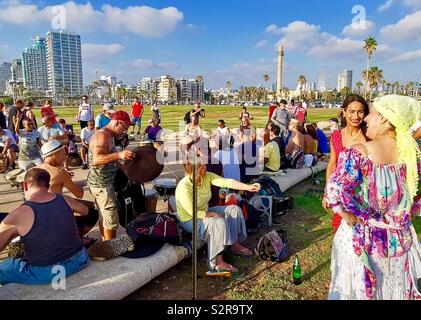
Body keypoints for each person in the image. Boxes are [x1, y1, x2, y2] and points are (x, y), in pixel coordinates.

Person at [325, 95, 421, 300]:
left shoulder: (360, 152)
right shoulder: (412, 156)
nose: (365, 118)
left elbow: (334, 189)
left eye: (372, 114)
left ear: (386, 120)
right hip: (398, 243)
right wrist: (404, 214)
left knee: (356, 291)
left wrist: (348, 216)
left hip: (363, 241)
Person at [0, 168, 90, 285]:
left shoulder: (18, 214)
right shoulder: (64, 199)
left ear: (25, 186)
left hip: (49, 272)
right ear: (48, 185)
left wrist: (17, 232)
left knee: (6, 267)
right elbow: (85, 211)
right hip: (80, 259)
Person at [175, 157, 260, 272]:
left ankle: (234, 245)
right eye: (201, 166)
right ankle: (216, 262)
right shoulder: (183, 187)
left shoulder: (207, 176)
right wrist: (212, 214)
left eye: (204, 164)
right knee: (218, 222)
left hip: (205, 211)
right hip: (190, 219)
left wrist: (248, 187)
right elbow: (192, 212)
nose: (205, 167)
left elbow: (226, 182)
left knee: (234, 210)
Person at [323, 95, 369, 234]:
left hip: (363, 196)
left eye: (360, 112)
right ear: (344, 112)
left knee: (362, 236)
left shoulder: (369, 137)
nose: (356, 116)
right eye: (351, 111)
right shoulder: (336, 136)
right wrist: (327, 192)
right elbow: (332, 165)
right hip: (341, 195)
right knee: (341, 232)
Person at [88, 111, 136, 240]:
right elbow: (96, 160)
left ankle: (105, 242)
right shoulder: (102, 136)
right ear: (117, 123)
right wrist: (118, 155)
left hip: (104, 184)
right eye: (125, 127)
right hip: (102, 185)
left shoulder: (109, 135)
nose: (124, 131)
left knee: (104, 216)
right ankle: (110, 248)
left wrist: (124, 167)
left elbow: (109, 158)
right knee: (111, 219)